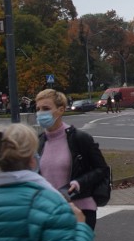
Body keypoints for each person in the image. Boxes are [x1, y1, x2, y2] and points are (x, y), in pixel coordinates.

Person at [35, 89, 110, 231]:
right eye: (37, 109)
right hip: (48, 212)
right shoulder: (38, 142)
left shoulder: (79, 138)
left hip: (80, 211)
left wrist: (78, 183)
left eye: (45, 109)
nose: (40, 113)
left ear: (61, 110)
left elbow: (102, 169)